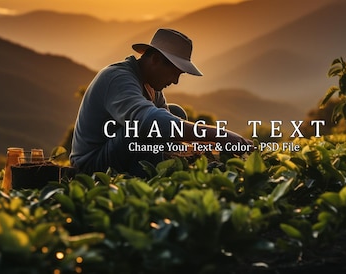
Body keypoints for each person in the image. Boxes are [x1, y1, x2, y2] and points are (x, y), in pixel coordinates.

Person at [70, 28, 252, 177]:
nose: (175, 81)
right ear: (156, 59)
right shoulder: (117, 77)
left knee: (175, 113)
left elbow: (169, 128)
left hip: (117, 151)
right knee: (145, 127)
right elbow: (150, 122)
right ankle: (144, 183)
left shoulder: (152, 88)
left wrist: (203, 146)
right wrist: (220, 135)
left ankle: (155, 174)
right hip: (91, 164)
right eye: (175, 72)